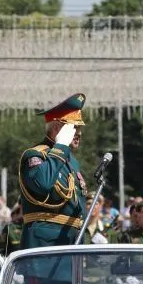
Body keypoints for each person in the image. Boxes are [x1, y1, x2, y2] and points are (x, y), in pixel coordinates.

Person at [18, 92, 89, 249]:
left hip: (71, 241)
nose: (79, 133)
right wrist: (61, 145)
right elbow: (43, 184)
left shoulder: (71, 161)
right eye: (74, 127)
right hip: (46, 244)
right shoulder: (36, 154)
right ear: (57, 128)